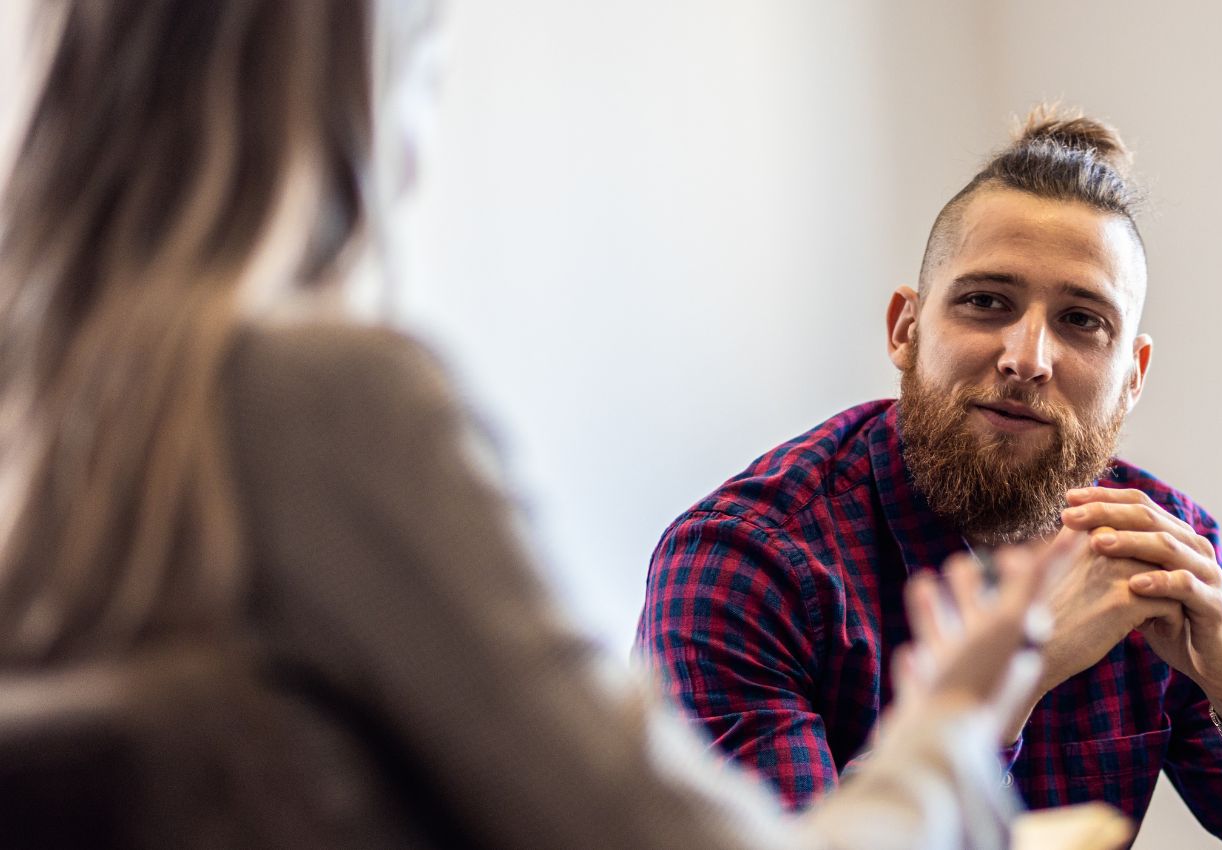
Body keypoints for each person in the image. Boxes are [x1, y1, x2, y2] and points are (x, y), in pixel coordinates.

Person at [0, 2, 1052, 848]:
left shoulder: (44, 426)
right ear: (358, 90)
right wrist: (951, 730)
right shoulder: (314, 406)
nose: (1027, 358)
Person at [641, 107, 1222, 848]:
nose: (1028, 358)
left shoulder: (1162, 555)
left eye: (1081, 320)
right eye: (987, 302)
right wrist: (1006, 688)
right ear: (906, 331)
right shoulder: (744, 562)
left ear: (1133, 377)